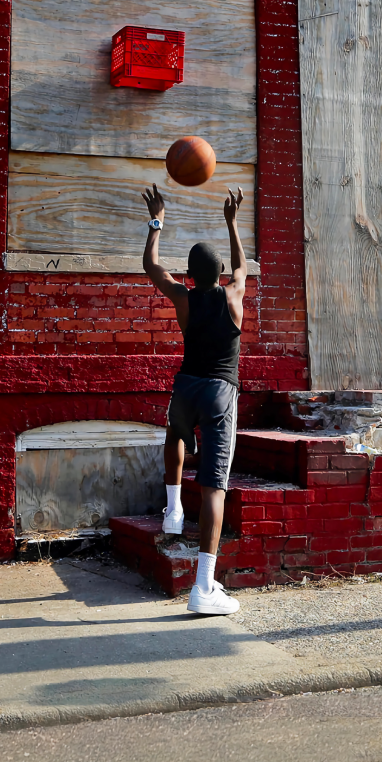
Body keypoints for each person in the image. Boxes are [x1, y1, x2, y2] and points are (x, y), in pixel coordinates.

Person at [142, 182, 246, 615]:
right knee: (214, 486)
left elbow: (150, 266)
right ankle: (204, 589)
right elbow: (243, 267)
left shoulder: (184, 298)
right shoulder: (234, 295)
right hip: (220, 392)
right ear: (220, 273)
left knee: (176, 432)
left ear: (189, 275)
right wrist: (232, 222)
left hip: (186, 384)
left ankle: (172, 512)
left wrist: (157, 221)